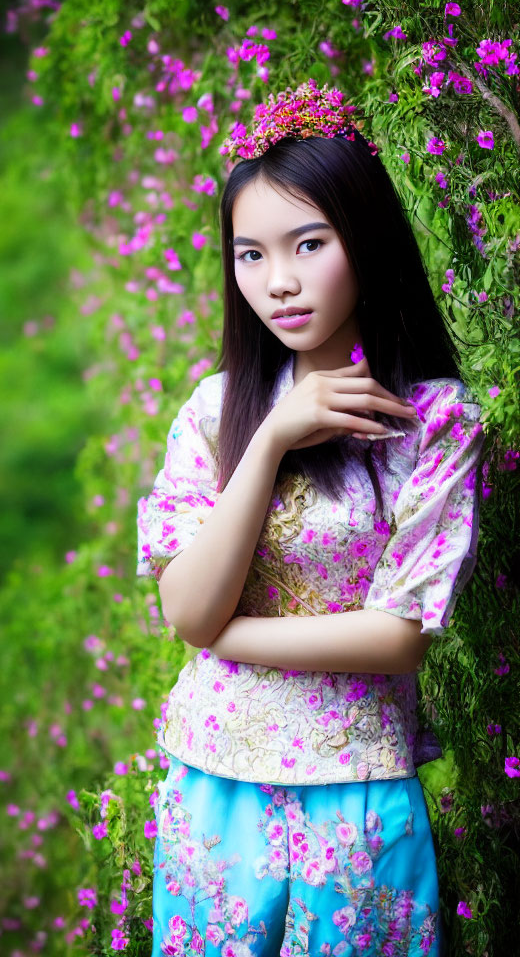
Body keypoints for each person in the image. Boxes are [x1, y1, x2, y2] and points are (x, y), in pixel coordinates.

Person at [136, 82, 484, 957]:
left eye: (309, 244)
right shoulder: (216, 413)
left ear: (365, 242)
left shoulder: (434, 419)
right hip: (212, 785)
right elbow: (186, 606)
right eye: (250, 255)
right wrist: (271, 441)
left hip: (357, 789)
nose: (278, 282)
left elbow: (397, 637)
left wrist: (224, 637)